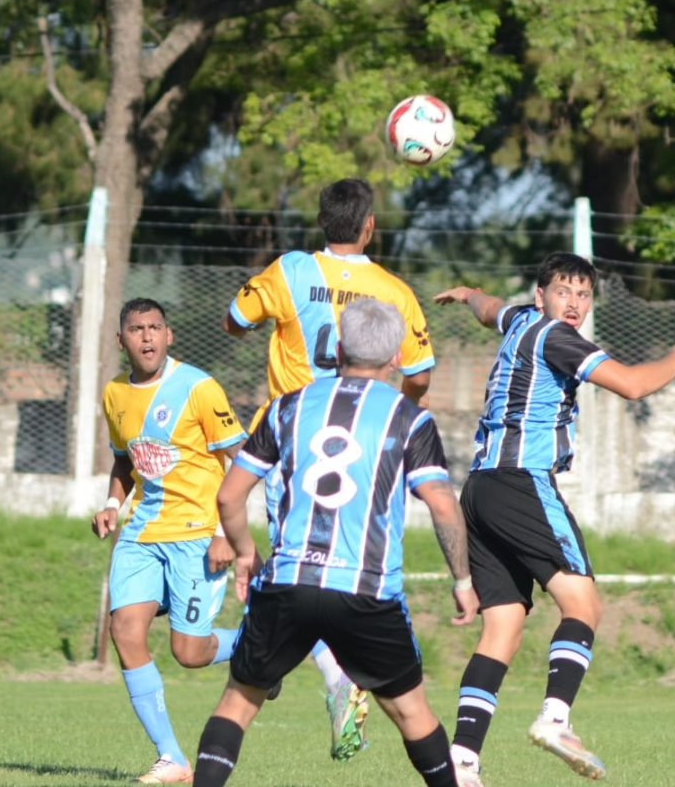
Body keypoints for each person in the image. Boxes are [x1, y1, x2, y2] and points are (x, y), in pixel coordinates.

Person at [435, 253, 675, 786]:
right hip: (521, 481)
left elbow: (490, 309)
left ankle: (462, 762)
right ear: (542, 296)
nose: (574, 303)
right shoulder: (556, 338)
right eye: (563, 291)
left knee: (503, 627)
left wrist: (466, 292)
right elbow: (631, 384)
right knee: (584, 604)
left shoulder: (519, 320)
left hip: (481, 489)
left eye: (583, 295)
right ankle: (556, 720)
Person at [191, 298, 478, 787]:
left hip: (288, 583)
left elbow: (229, 496)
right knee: (413, 714)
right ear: (394, 359)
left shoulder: (287, 407)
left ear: (339, 349)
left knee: (238, 702)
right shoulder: (410, 418)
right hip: (365, 591)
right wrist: (464, 580)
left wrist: (244, 553)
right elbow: (444, 506)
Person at [223, 176, 436, 759]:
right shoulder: (392, 288)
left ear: (322, 220)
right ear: (370, 226)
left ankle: (325, 670)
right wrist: (395, 414)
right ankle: (346, 667)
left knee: (296, 564)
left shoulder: (287, 270)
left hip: (291, 442)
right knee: (351, 563)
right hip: (366, 440)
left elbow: (233, 321)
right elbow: (419, 372)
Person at [91, 297, 250, 785]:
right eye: (136, 329)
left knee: (190, 651)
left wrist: (227, 532)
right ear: (122, 341)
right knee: (125, 630)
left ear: (169, 335)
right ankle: (172, 758)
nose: (146, 337)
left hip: (198, 533)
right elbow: (126, 460)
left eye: (155, 327)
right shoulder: (115, 393)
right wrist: (113, 506)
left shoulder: (198, 387)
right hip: (141, 532)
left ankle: (259, 648)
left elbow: (240, 462)